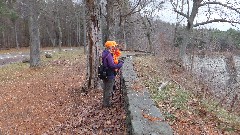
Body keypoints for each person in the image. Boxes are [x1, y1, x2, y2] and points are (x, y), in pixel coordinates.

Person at [102, 41, 124, 107]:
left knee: (106, 89)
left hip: (106, 73)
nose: (114, 47)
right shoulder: (108, 54)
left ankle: (105, 103)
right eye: (113, 46)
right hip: (109, 74)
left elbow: (111, 62)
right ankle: (107, 105)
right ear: (110, 47)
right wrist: (120, 64)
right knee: (109, 89)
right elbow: (112, 66)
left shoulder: (105, 53)